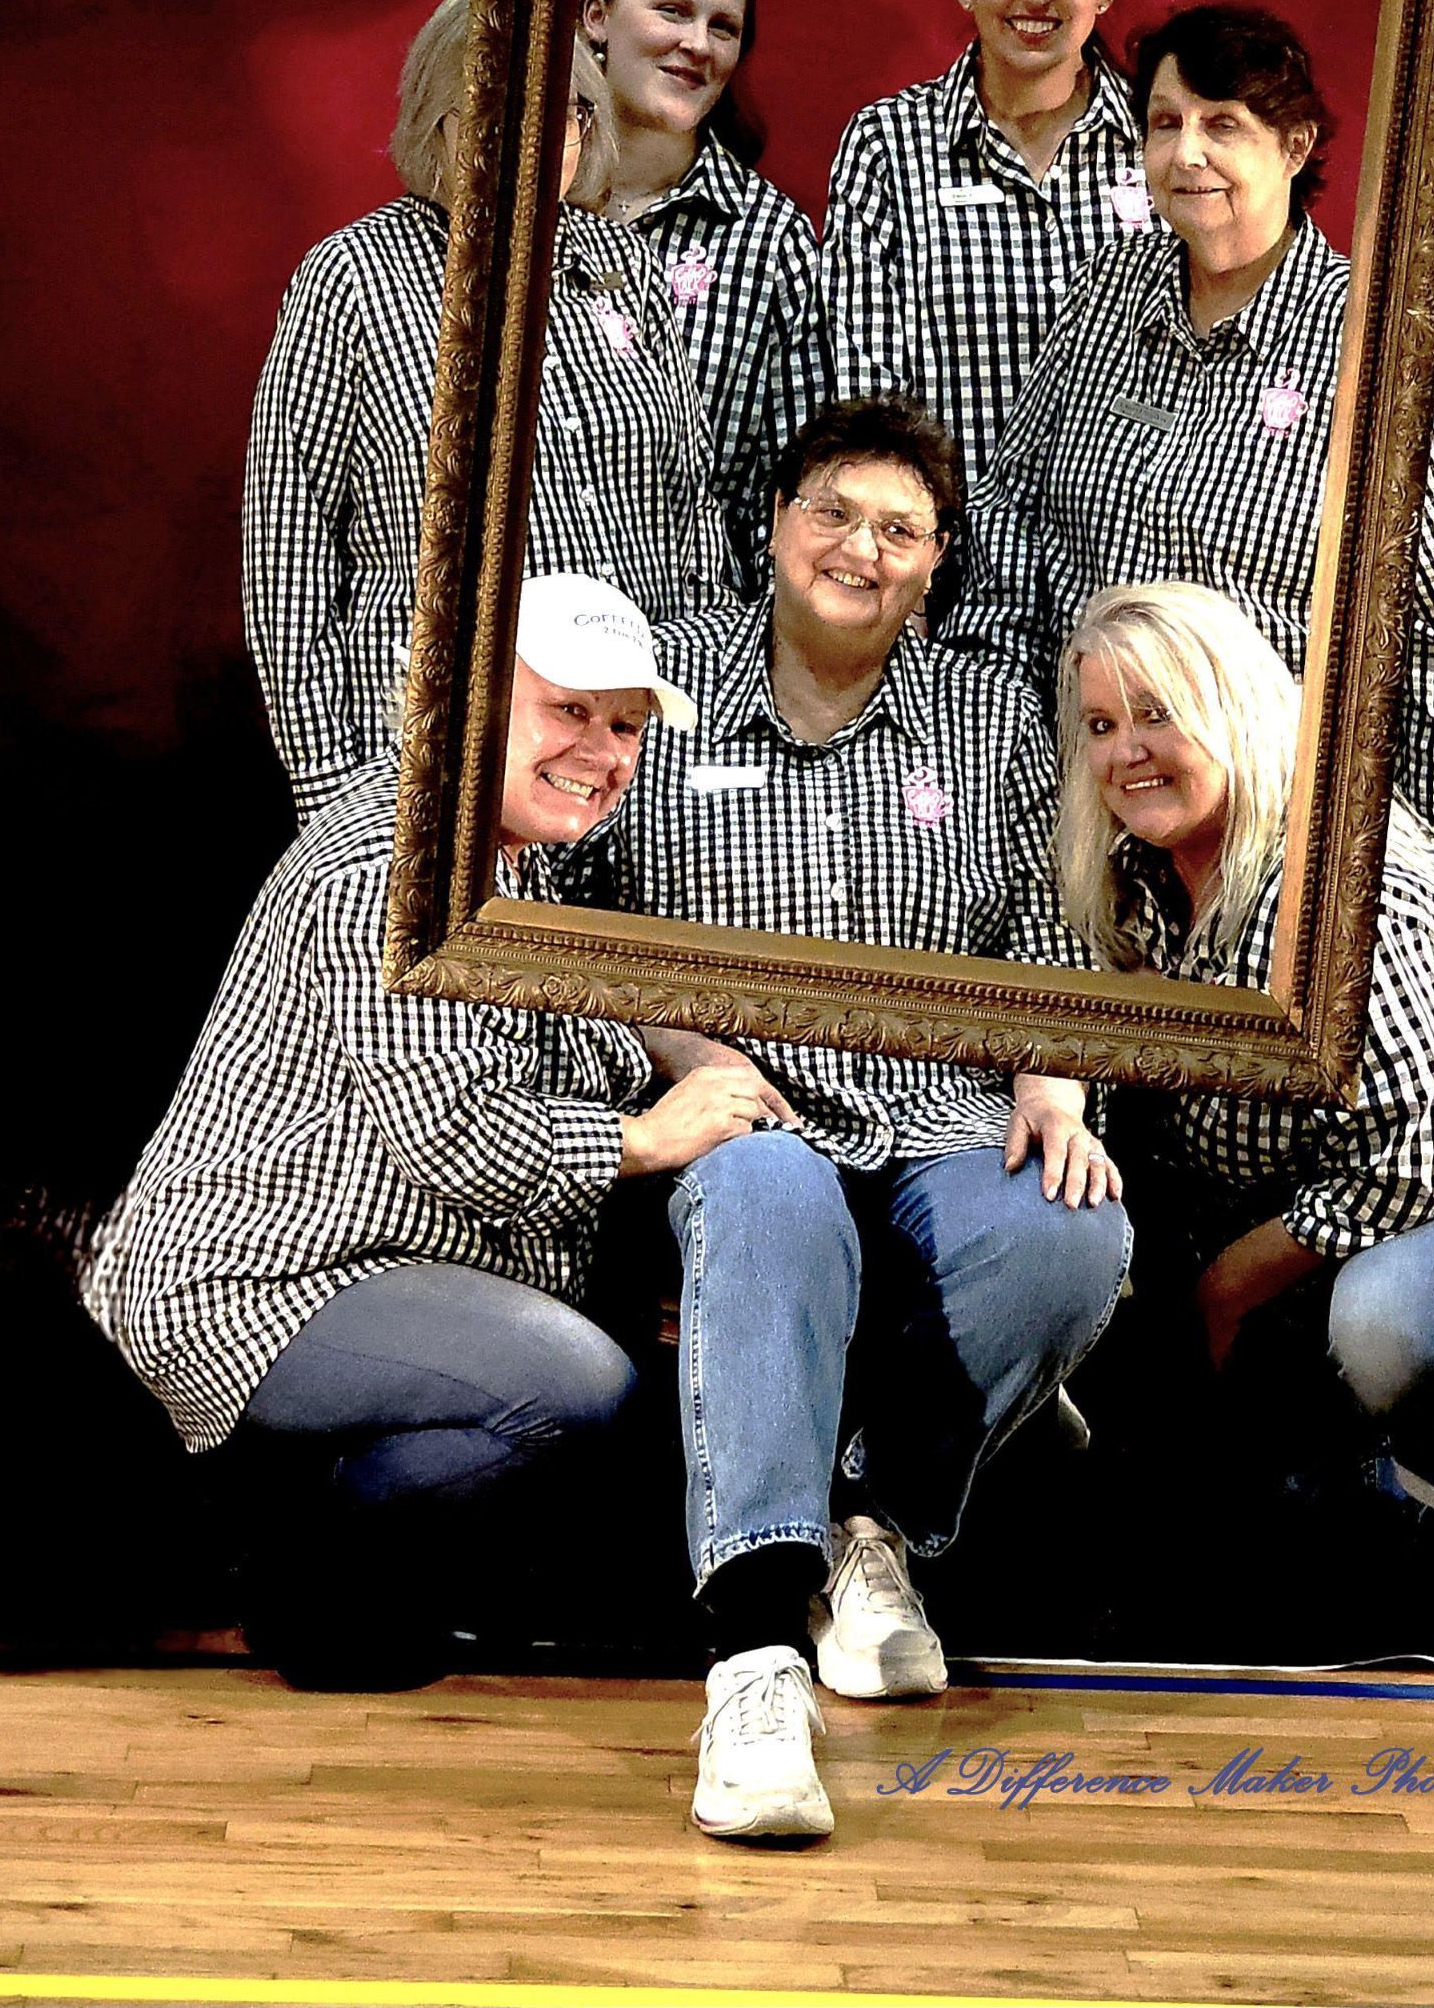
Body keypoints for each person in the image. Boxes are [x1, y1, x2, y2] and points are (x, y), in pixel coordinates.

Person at [83, 575, 778, 1687]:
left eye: (626, 723)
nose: (601, 751)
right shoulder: (394, 860)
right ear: (466, 697)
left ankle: (331, 1596)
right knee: (579, 1381)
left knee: (546, 1416)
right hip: (253, 1273)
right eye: (567, 709)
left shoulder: (506, 850)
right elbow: (458, 1136)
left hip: (388, 1271)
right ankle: (297, 1568)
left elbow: (564, 1006)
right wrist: (653, 1135)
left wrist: (680, 1044)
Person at [606, 396, 1129, 1840]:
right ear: (776, 523)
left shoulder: (985, 713)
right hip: (738, 1096)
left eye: (902, 529)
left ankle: (877, 1528)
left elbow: (1050, 927)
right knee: (769, 1191)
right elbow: (583, 916)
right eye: (834, 510)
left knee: (1070, 1225)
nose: (862, 546)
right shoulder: (671, 684)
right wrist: (685, 1050)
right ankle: (754, 1656)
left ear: (938, 560)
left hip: (934, 1100)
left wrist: (1052, 1076)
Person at [1055, 580, 1434, 1669]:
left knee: (1395, 1323)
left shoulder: (1333, 883)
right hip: (1338, 1175)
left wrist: (1231, 1279)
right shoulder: (1133, 877)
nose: (1126, 751)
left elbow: (1430, 1154)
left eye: (1159, 713)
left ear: (1234, 706)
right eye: (1101, 723)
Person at [949, 2, 1434, 888]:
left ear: (1294, 147)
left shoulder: (1384, 357)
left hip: (1279, 821)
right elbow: (1011, 512)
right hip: (1093, 792)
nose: (1187, 154)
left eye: (1224, 125)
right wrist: (1010, 726)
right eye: (1165, 124)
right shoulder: (1104, 294)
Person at [244, 0, 731, 824]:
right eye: (495, 112)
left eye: (565, 112)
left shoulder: (628, 267)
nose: (534, 141)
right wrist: (341, 799)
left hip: (625, 763)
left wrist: (691, 749)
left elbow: (692, 523)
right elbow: (288, 565)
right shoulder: (353, 279)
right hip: (439, 767)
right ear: (440, 122)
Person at [821, 0, 1148, 498]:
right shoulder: (886, 145)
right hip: (945, 568)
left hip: (1121, 567)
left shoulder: (1162, 144)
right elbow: (870, 398)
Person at [580, 0, 824, 585]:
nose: (698, 44)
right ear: (597, 18)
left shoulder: (771, 240)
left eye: (724, 28)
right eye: (673, 11)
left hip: (689, 642)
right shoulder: (515, 215)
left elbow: (793, 485)